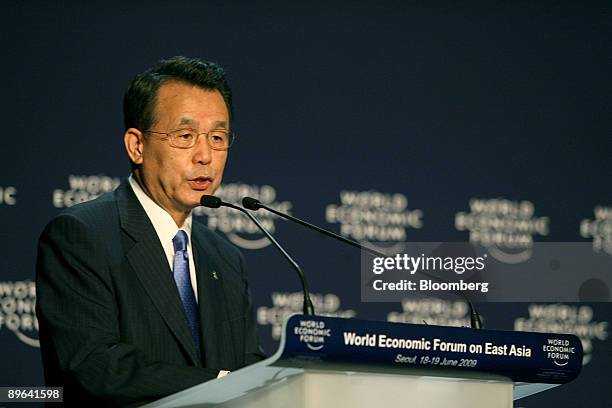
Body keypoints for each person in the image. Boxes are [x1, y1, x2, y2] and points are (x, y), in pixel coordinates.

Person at [35, 56, 265, 407]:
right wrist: (220, 384)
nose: (205, 155)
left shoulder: (225, 257)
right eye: (185, 136)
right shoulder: (82, 236)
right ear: (137, 146)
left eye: (217, 137)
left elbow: (247, 365)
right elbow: (93, 364)